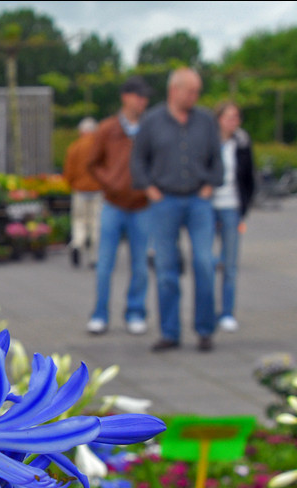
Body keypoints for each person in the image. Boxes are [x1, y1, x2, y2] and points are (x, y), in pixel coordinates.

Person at [131, 67, 223, 353]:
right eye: (191, 91)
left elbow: (217, 160)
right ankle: (169, 332)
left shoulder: (206, 121)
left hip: (198, 200)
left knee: (205, 263)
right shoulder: (152, 122)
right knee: (166, 268)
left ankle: (205, 329)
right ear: (174, 90)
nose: (195, 96)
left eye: (197, 91)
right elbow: (138, 159)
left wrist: (210, 185)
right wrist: (149, 188)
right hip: (164, 201)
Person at [85, 76, 152, 336]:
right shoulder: (107, 128)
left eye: (145, 97)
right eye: (139, 96)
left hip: (142, 206)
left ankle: (135, 312)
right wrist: (109, 183)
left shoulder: (149, 128)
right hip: (113, 204)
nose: (143, 101)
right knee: (104, 264)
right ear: (126, 97)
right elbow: (92, 162)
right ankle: (100, 314)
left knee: (140, 265)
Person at [211, 102, 255, 334]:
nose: (233, 121)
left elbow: (249, 176)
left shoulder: (242, 143)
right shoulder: (207, 141)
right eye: (229, 116)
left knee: (230, 263)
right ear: (218, 119)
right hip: (208, 205)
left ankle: (227, 312)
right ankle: (207, 310)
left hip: (232, 205)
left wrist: (244, 208)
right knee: (205, 261)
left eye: (236, 117)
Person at [63, 117, 103, 270]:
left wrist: (71, 184)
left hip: (80, 190)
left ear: (82, 131)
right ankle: (94, 257)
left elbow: (69, 171)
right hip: (97, 190)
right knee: (96, 222)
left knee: (79, 220)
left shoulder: (75, 147)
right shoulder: (99, 148)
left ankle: (77, 243)